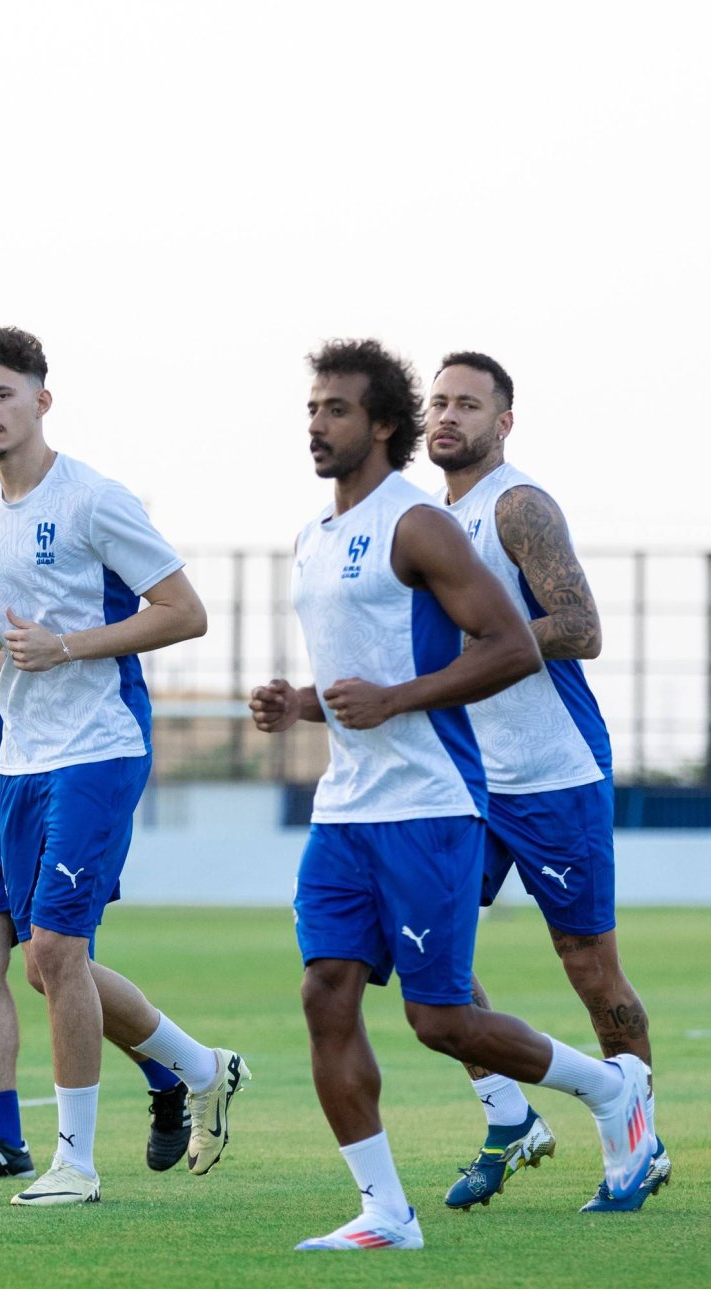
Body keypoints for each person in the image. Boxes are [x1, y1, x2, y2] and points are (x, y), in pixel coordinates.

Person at [249, 340, 655, 1251]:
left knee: (441, 1016)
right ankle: (388, 1212)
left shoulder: (429, 524)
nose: (316, 424)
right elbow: (370, 670)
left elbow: (517, 642)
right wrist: (300, 702)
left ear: (379, 424)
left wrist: (395, 700)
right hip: (346, 805)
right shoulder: (314, 538)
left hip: (439, 798)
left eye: (336, 410)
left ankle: (612, 1089)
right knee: (326, 991)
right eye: (310, 409)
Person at [0, 327, 247, 1207]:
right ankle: (199, 1067)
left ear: (41, 400)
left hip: (100, 748)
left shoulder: (97, 499)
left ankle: (74, 1162)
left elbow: (185, 612)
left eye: (0, 394)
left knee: (58, 950)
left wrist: (67, 646)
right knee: (37, 964)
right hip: (21, 760)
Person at [425, 351, 668, 1213]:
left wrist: (481, 641)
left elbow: (581, 625)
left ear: (503, 422)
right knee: (426, 955)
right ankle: (509, 1116)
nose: (448, 416)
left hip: (554, 770)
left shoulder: (517, 505)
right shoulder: (417, 518)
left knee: (590, 967)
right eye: (438, 401)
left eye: (468, 404)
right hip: (461, 774)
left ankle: (634, 1142)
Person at [0, 450, 197, 1181]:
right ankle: (4, 1137)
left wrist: (16, 659)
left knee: (52, 965)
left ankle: (171, 1075)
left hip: (63, 768)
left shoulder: (66, 538)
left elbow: (36, 653)